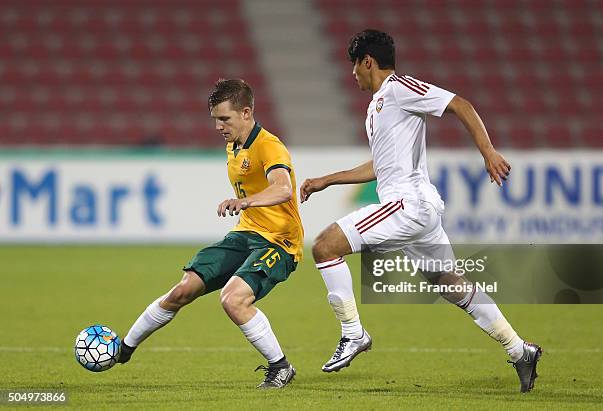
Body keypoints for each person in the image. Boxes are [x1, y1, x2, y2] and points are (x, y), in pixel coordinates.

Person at [300, 29, 542, 393]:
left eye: (354, 66)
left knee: (324, 246)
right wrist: (327, 180)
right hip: (416, 210)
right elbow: (381, 166)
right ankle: (520, 349)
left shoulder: (399, 87)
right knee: (449, 283)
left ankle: (353, 334)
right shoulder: (378, 105)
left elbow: (460, 104)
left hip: (407, 205)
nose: (352, 74)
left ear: (368, 61)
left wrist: (488, 152)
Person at [118, 79, 303, 389]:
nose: (219, 126)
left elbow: (283, 189)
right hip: (245, 235)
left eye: (225, 118)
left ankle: (281, 367)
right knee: (182, 290)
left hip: (280, 242)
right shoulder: (234, 145)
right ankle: (124, 349)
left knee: (232, 300)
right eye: (216, 119)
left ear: (246, 113)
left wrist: (244, 201)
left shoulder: (268, 146)